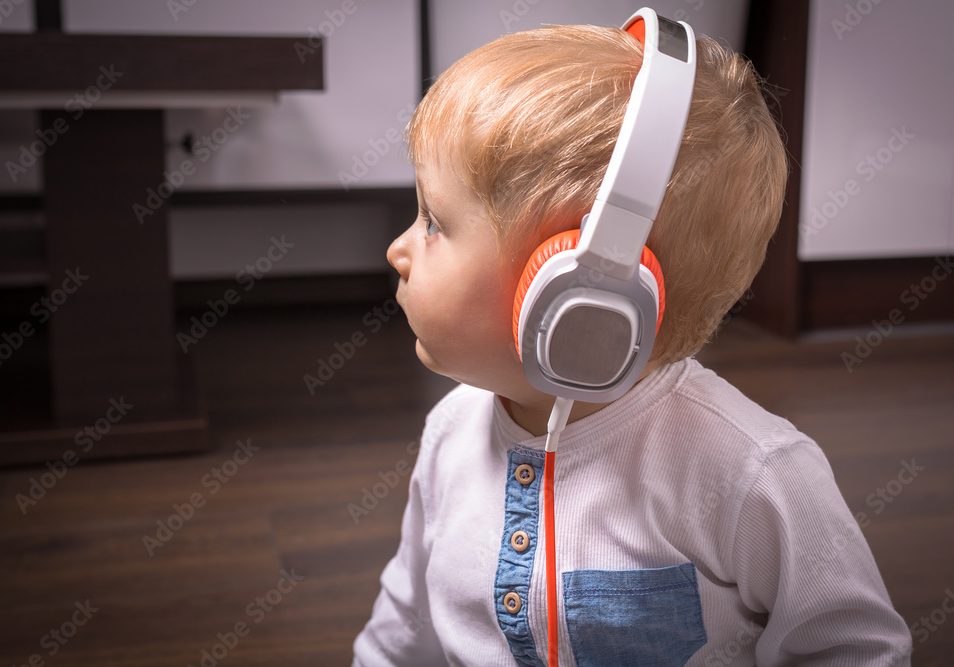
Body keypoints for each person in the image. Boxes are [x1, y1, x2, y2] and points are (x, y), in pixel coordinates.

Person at [352, 20, 912, 667]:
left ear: (580, 287)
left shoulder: (747, 468)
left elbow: (855, 648)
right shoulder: (450, 432)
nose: (398, 249)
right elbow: (405, 620)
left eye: (434, 222)